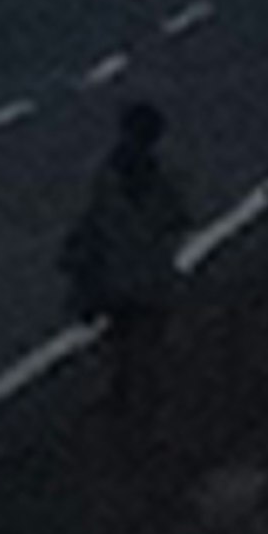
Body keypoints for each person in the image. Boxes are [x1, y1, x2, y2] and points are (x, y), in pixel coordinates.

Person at [60, 94, 191, 418]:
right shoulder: (165, 177)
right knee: (142, 343)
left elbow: (88, 225)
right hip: (140, 280)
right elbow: (180, 220)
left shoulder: (105, 176)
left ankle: (127, 397)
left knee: (131, 342)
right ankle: (136, 399)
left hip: (124, 279)